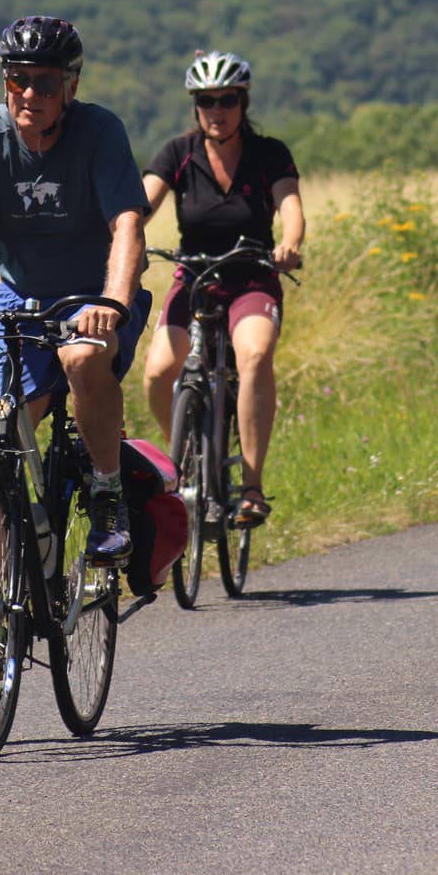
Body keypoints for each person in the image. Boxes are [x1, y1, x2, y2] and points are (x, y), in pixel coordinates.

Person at [0, 16, 152, 560]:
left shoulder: (99, 132)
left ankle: (108, 494)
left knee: (83, 358)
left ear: (71, 86)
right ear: (5, 83)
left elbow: (128, 226)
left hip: (96, 293)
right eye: (19, 80)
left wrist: (112, 303)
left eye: (45, 82)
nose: (30, 94)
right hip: (20, 299)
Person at [140, 51, 304, 528]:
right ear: (195, 105)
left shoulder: (269, 153)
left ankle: (251, 487)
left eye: (228, 99)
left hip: (252, 274)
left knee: (253, 354)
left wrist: (289, 244)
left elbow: (289, 206)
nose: (217, 109)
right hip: (194, 276)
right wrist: (122, 235)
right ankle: (185, 456)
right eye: (207, 100)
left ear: (242, 101)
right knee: (157, 373)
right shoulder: (178, 153)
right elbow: (141, 204)